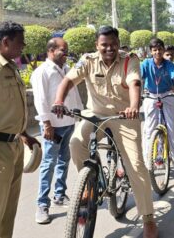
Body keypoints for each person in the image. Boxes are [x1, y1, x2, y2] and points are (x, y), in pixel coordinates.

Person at [52, 26, 158, 238]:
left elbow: (134, 83)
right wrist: (58, 101)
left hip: (124, 116)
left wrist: (134, 106)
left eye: (113, 44)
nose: (109, 48)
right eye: (104, 45)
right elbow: (69, 80)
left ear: (118, 44)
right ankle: (90, 181)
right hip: (95, 114)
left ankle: (148, 219)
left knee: (136, 166)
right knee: (76, 142)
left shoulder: (130, 60)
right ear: (96, 45)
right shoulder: (88, 60)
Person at [0, 21, 39, 238]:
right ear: (5, 42)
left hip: (14, 146)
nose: (23, 46)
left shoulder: (11, 66)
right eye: (20, 42)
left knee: (8, 210)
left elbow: (8, 109)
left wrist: (24, 135)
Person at [30, 38, 83, 224]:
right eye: (63, 50)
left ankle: (59, 195)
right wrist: (46, 124)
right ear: (51, 50)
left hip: (68, 123)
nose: (66, 53)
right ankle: (42, 205)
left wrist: (79, 113)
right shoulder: (41, 72)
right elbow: (40, 100)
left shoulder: (66, 70)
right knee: (48, 163)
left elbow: (74, 94)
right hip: (51, 126)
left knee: (64, 161)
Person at [141, 38, 174, 177]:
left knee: (173, 129)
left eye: (160, 49)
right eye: (154, 50)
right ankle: (148, 162)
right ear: (151, 52)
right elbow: (139, 79)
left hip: (168, 96)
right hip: (151, 96)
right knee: (148, 131)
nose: (157, 52)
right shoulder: (145, 64)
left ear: (163, 50)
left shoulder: (169, 65)